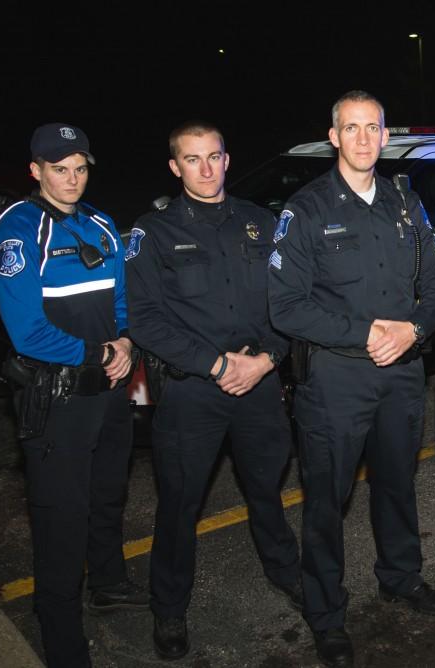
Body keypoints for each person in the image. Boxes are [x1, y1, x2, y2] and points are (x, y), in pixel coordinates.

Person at [268, 90, 435, 668]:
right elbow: (286, 307)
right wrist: (368, 331)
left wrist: (415, 330)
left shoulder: (405, 203)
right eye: (353, 128)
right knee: (327, 501)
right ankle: (325, 612)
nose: (365, 138)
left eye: (373, 127)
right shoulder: (306, 209)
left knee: (398, 484)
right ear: (334, 136)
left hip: (400, 376)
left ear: (384, 134)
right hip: (335, 381)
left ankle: (401, 576)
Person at [125, 121, 301, 661]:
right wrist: (217, 363)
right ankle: (170, 608)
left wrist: (268, 357)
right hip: (191, 395)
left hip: (260, 384)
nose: (205, 168)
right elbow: (144, 319)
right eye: (192, 159)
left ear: (227, 159)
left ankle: (287, 572)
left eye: (214, 157)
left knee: (267, 490)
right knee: (179, 505)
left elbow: (289, 301)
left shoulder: (261, 223)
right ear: (175, 167)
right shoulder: (151, 233)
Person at [0, 122, 146, 667]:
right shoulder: (18, 228)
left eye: (80, 168)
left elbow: (121, 299)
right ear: (36, 171)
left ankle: (108, 581)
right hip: (56, 400)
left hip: (108, 393)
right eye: (60, 170)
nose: (72, 179)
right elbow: (27, 330)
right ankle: (61, 636)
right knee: (61, 516)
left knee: (107, 495)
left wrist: (125, 341)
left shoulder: (101, 224)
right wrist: (99, 353)